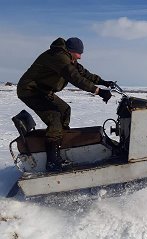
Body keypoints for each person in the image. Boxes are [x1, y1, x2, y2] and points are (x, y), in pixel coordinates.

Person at [17, 37, 114, 172]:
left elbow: (84, 73)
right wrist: (98, 91)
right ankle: (52, 161)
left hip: (43, 91)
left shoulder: (68, 58)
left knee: (64, 109)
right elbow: (75, 77)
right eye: (78, 53)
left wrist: (104, 82)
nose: (80, 57)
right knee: (55, 117)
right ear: (71, 51)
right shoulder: (59, 57)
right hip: (29, 90)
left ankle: (62, 146)